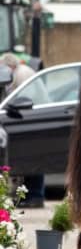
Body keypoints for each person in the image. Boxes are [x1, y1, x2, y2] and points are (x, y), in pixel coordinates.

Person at [0, 53, 43, 207]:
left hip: (34, 116)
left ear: (9, 67)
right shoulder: (19, 71)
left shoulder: (22, 73)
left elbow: (23, 97)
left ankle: (36, 195)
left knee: (36, 157)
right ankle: (29, 195)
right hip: (31, 115)